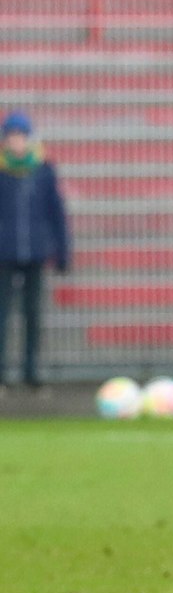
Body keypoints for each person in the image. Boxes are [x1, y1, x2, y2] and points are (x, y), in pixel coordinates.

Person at [0, 110, 70, 396]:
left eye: (21, 135)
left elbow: (56, 212)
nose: (16, 141)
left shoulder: (43, 170)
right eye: (11, 136)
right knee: (2, 315)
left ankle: (31, 373)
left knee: (33, 315)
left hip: (36, 253)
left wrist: (62, 250)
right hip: (4, 254)